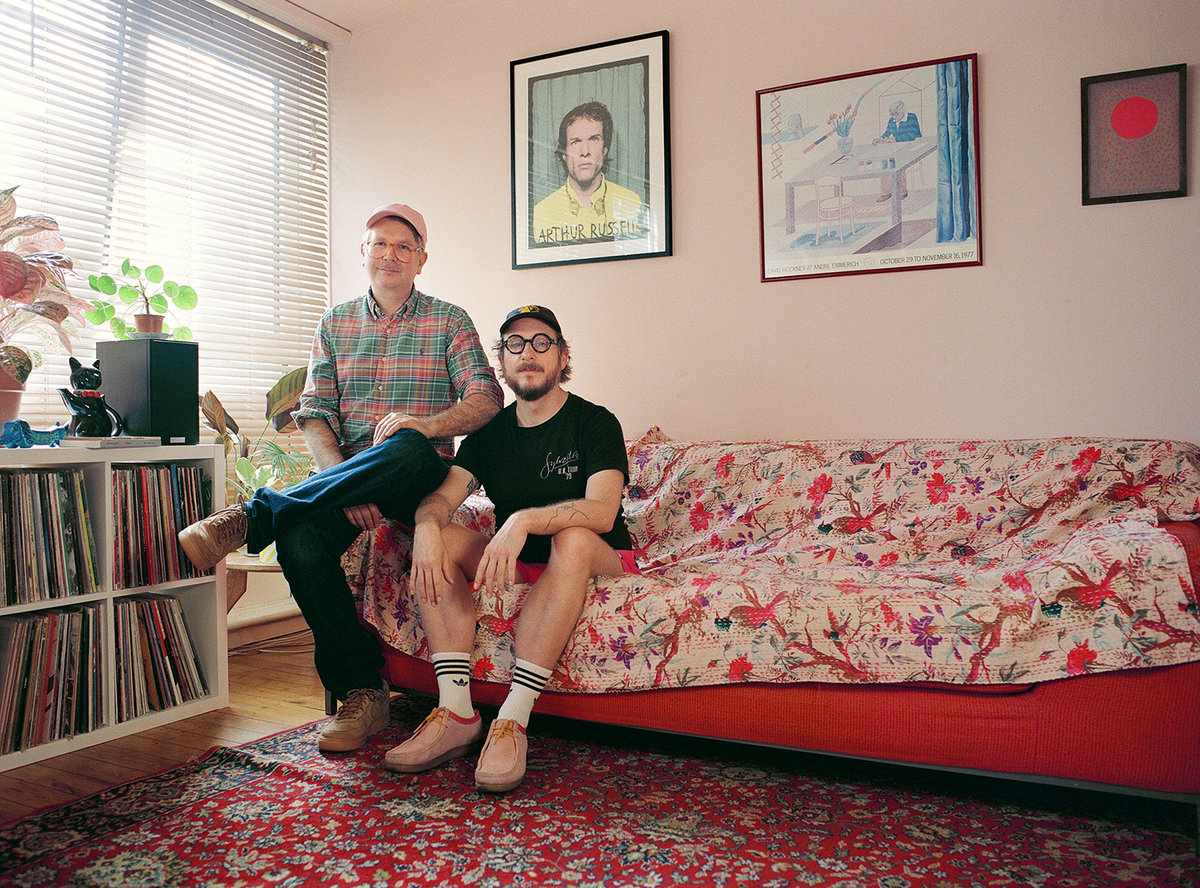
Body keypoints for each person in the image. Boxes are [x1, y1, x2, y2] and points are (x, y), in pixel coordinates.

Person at [178, 202, 503, 753]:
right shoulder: (334, 323)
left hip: (418, 475)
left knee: (406, 443)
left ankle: (254, 516)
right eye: (380, 243)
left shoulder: (449, 320)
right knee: (300, 540)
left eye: (403, 246)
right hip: (345, 479)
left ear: (421, 259)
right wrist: (345, 480)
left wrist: (425, 425)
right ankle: (362, 689)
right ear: (364, 252)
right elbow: (314, 414)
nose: (390, 254)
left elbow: (487, 399)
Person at [382, 305, 636, 792]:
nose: (528, 353)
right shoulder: (489, 434)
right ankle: (456, 712)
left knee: (571, 537)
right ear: (501, 361)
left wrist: (524, 519)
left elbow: (602, 512)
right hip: (523, 565)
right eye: (515, 345)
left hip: (597, 556)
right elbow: (442, 499)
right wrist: (428, 525)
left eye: (542, 342)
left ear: (562, 356)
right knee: (440, 538)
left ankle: (512, 720)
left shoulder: (595, 422)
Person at [531, 101, 646, 246]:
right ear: (564, 153)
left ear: (605, 149)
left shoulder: (631, 203)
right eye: (575, 142)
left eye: (594, 139)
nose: (585, 152)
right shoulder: (543, 212)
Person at [872, 99, 922, 201]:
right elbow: (887, 132)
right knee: (885, 161)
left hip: (912, 147)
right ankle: (886, 192)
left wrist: (895, 139)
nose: (894, 117)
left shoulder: (911, 117)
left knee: (897, 162)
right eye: (892, 114)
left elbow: (914, 135)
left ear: (902, 111)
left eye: (896, 114)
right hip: (897, 148)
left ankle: (901, 192)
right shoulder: (892, 121)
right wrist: (881, 139)